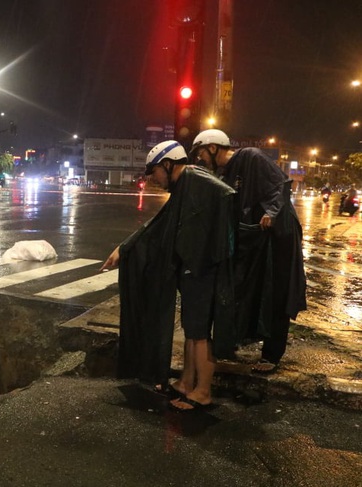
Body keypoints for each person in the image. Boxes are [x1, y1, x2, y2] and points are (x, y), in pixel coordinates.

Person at [100, 140, 237, 411]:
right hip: (193, 269)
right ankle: (187, 382)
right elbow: (160, 225)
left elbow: (227, 195)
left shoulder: (194, 178)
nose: (154, 179)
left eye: (154, 172)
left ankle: (203, 392)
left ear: (167, 164)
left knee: (199, 333)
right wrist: (125, 249)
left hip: (203, 269)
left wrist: (205, 250)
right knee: (191, 329)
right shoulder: (185, 184)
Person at [190, 129, 306, 374]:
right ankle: (236, 342)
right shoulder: (224, 174)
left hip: (279, 235)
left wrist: (271, 213)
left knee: (277, 292)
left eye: (201, 153)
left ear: (212, 148)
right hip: (256, 237)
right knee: (247, 288)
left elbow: (281, 185)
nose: (200, 158)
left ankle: (272, 355)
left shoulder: (251, 156)